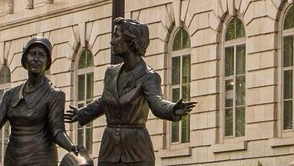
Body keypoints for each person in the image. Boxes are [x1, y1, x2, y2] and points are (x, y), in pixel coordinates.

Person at [65, 18, 196, 166]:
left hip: (137, 151)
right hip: (109, 150)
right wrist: (82, 113)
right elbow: (104, 101)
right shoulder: (111, 73)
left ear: (130, 41)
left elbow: (157, 103)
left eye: (116, 36)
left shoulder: (148, 76)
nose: (112, 41)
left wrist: (173, 109)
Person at [0, 38, 85, 165]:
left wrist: (71, 147)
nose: (36, 59)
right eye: (32, 54)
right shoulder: (10, 94)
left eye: (41, 55)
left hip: (41, 159)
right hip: (13, 159)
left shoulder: (54, 95)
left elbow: (57, 130)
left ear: (47, 62)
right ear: (25, 59)